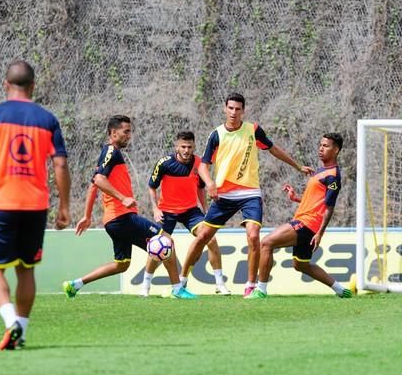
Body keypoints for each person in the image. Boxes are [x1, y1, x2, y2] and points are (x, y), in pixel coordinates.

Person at [0, 60, 71, 350]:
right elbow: (60, 165)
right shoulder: (47, 119)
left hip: (1, 203)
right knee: (26, 270)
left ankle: (10, 322)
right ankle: (22, 329)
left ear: (6, 85)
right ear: (33, 86)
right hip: (35, 205)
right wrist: (65, 206)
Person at [179, 93, 313, 297]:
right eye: (230, 108)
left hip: (250, 192)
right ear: (225, 109)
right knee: (202, 237)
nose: (234, 112)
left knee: (253, 236)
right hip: (224, 194)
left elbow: (273, 149)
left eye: (238, 109)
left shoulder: (253, 130)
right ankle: (180, 283)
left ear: (243, 111)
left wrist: (296, 166)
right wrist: (210, 184)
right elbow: (204, 166)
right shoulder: (216, 135)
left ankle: (251, 286)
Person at [63, 115, 196, 299]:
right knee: (165, 241)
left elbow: (94, 184)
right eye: (126, 131)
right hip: (121, 216)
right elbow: (99, 180)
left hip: (113, 221)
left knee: (122, 264)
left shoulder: (109, 155)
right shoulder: (111, 151)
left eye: (130, 131)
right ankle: (177, 289)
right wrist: (122, 198)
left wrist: (87, 216)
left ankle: (75, 284)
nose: (129, 135)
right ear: (113, 132)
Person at [246, 133, 352, 299]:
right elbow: (317, 201)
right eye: (320, 145)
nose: (321, 148)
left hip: (307, 224)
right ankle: (340, 290)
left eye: (326, 146)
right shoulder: (321, 171)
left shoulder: (332, 175)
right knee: (301, 265)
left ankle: (261, 290)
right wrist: (296, 198)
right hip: (307, 223)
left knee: (266, 243)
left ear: (336, 150)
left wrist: (320, 233)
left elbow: (329, 207)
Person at [142, 130, 230, 296]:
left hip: (190, 211)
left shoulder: (199, 164)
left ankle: (220, 284)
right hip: (167, 212)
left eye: (189, 146)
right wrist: (155, 208)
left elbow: (200, 188)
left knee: (211, 239)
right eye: (183, 146)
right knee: (160, 247)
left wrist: (205, 211)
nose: (186, 150)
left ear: (194, 146)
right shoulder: (164, 163)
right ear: (176, 146)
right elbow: (152, 186)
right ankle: (145, 285)